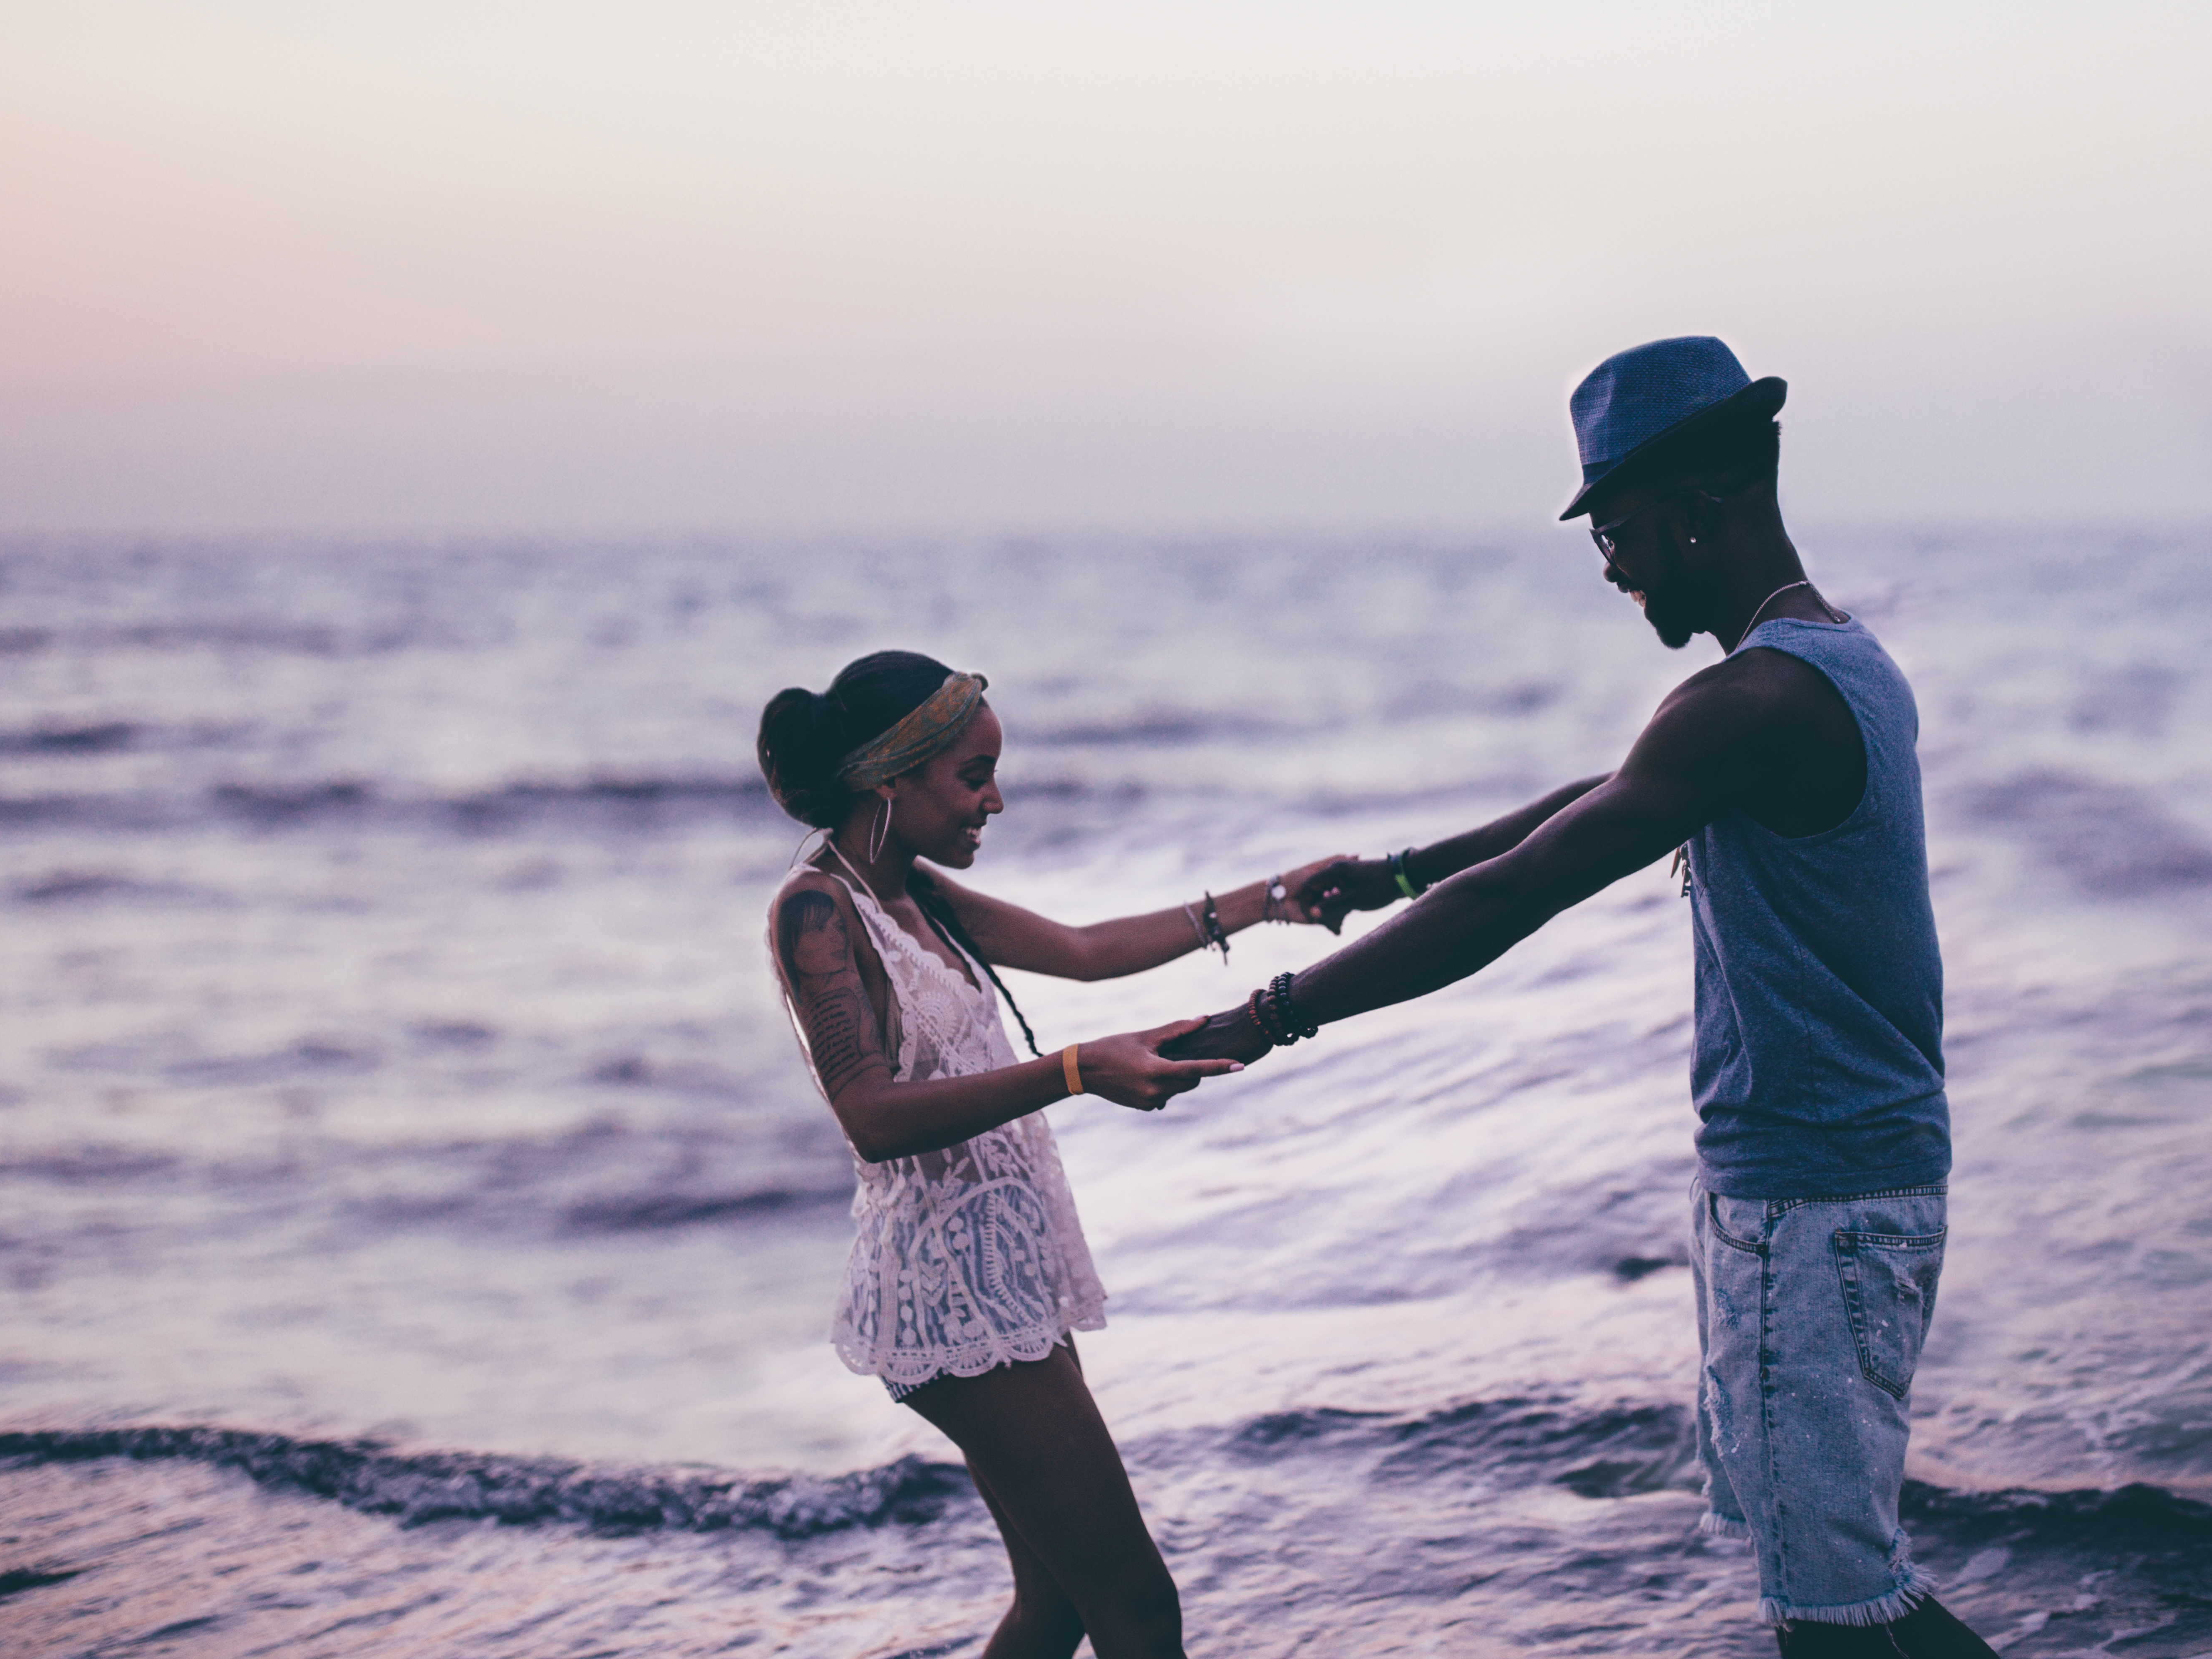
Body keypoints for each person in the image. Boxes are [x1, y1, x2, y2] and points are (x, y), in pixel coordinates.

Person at [1167, 337, 2000, 1656]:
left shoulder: (1746, 702)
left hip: (1811, 1206)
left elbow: (1516, 897)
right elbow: (1605, 800)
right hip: (1836, 1186)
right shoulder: (1826, 663)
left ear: (1694, 512)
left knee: (1837, 1615)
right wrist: (1395, 872)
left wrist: (1266, 1018)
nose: (1609, 567)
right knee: (1844, 1592)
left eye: (1613, 532)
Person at [757, 649, 1341, 1659]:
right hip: (948, 1285)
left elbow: (1082, 951)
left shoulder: (915, 889)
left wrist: (1271, 897)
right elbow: (872, 1116)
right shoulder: (818, 910)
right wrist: (1075, 1070)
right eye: (973, 776)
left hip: (1005, 1271)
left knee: (1058, 1606)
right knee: (1139, 1608)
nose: (995, 801)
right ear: (891, 776)